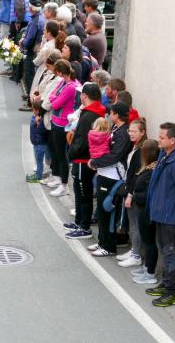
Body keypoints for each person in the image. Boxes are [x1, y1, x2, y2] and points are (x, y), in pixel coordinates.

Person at [145, 122, 175, 307]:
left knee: (171, 252)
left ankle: (171, 292)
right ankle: (166, 284)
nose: (158, 140)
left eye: (162, 137)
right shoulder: (164, 155)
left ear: (172, 140)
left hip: (171, 216)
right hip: (161, 214)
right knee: (165, 251)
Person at [87, 102, 131, 257]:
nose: (109, 115)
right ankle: (102, 241)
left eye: (111, 112)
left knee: (108, 211)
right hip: (104, 174)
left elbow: (115, 156)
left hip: (113, 177)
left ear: (116, 115)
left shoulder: (123, 133)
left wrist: (95, 162)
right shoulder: (116, 128)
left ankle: (109, 246)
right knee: (101, 210)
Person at [65, 83, 106, 238]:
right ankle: (78, 221)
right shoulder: (95, 112)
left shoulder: (89, 115)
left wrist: (71, 153)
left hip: (83, 160)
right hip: (84, 159)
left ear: (85, 96)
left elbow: (82, 141)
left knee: (83, 194)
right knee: (80, 192)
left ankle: (85, 227)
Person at [46, 60, 80, 197]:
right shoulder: (64, 82)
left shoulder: (71, 86)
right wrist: (55, 98)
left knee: (61, 155)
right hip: (56, 121)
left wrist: (55, 98)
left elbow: (55, 104)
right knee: (55, 152)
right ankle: (58, 177)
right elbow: (52, 95)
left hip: (63, 124)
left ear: (60, 72)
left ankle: (64, 184)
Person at [118, 117, 148, 268]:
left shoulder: (142, 150)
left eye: (134, 131)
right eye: (129, 130)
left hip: (135, 193)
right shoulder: (135, 147)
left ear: (142, 132)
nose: (130, 133)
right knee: (132, 224)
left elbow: (137, 175)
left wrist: (130, 194)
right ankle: (133, 251)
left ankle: (136, 256)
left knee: (136, 226)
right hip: (130, 190)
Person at [130, 140, 160, 286]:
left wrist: (135, 196)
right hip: (144, 210)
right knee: (148, 241)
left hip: (147, 211)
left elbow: (148, 194)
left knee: (150, 242)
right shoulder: (149, 168)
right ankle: (146, 267)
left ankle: (150, 273)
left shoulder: (151, 171)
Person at [26, 98, 49, 183]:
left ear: (37, 110)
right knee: (39, 160)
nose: (32, 111)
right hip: (37, 143)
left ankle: (38, 176)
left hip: (40, 143)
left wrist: (37, 123)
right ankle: (39, 174)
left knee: (39, 161)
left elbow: (41, 130)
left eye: (33, 109)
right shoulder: (36, 117)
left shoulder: (41, 119)